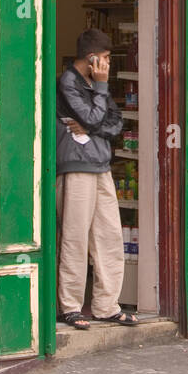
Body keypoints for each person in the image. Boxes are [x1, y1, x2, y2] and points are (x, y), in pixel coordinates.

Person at [55, 28, 138, 329]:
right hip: (76, 166)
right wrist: (101, 90)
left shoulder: (93, 83)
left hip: (100, 164)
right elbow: (93, 117)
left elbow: (115, 124)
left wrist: (91, 127)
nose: (107, 65)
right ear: (91, 58)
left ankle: (106, 305)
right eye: (103, 58)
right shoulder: (68, 82)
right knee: (75, 238)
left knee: (109, 236)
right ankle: (70, 306)